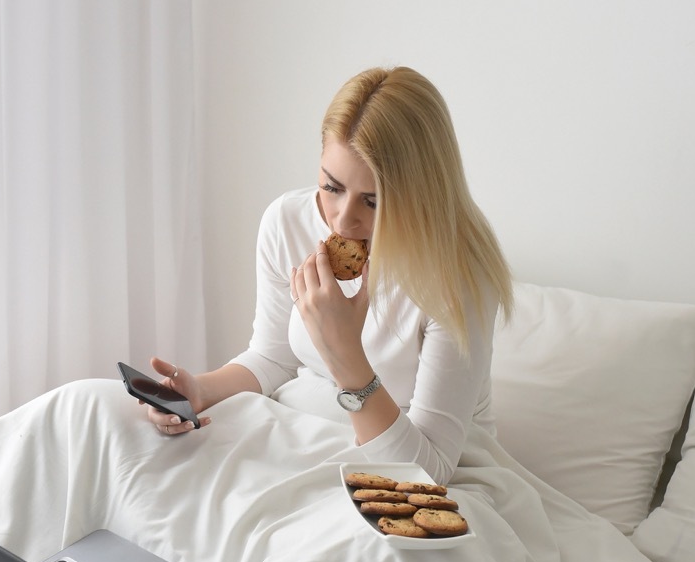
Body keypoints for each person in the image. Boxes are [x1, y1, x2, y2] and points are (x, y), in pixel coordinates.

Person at [143, 66, 514, 485]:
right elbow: (273, 358)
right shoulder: (287, 221)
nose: (343, 221)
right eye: (332, 187)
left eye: (373, 202)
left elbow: (428, 471)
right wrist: (200, 391)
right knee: (92, 413)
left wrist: (344, 351)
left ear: (421, 195)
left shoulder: (457, 276)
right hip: (303, 432)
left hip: (422, 473)